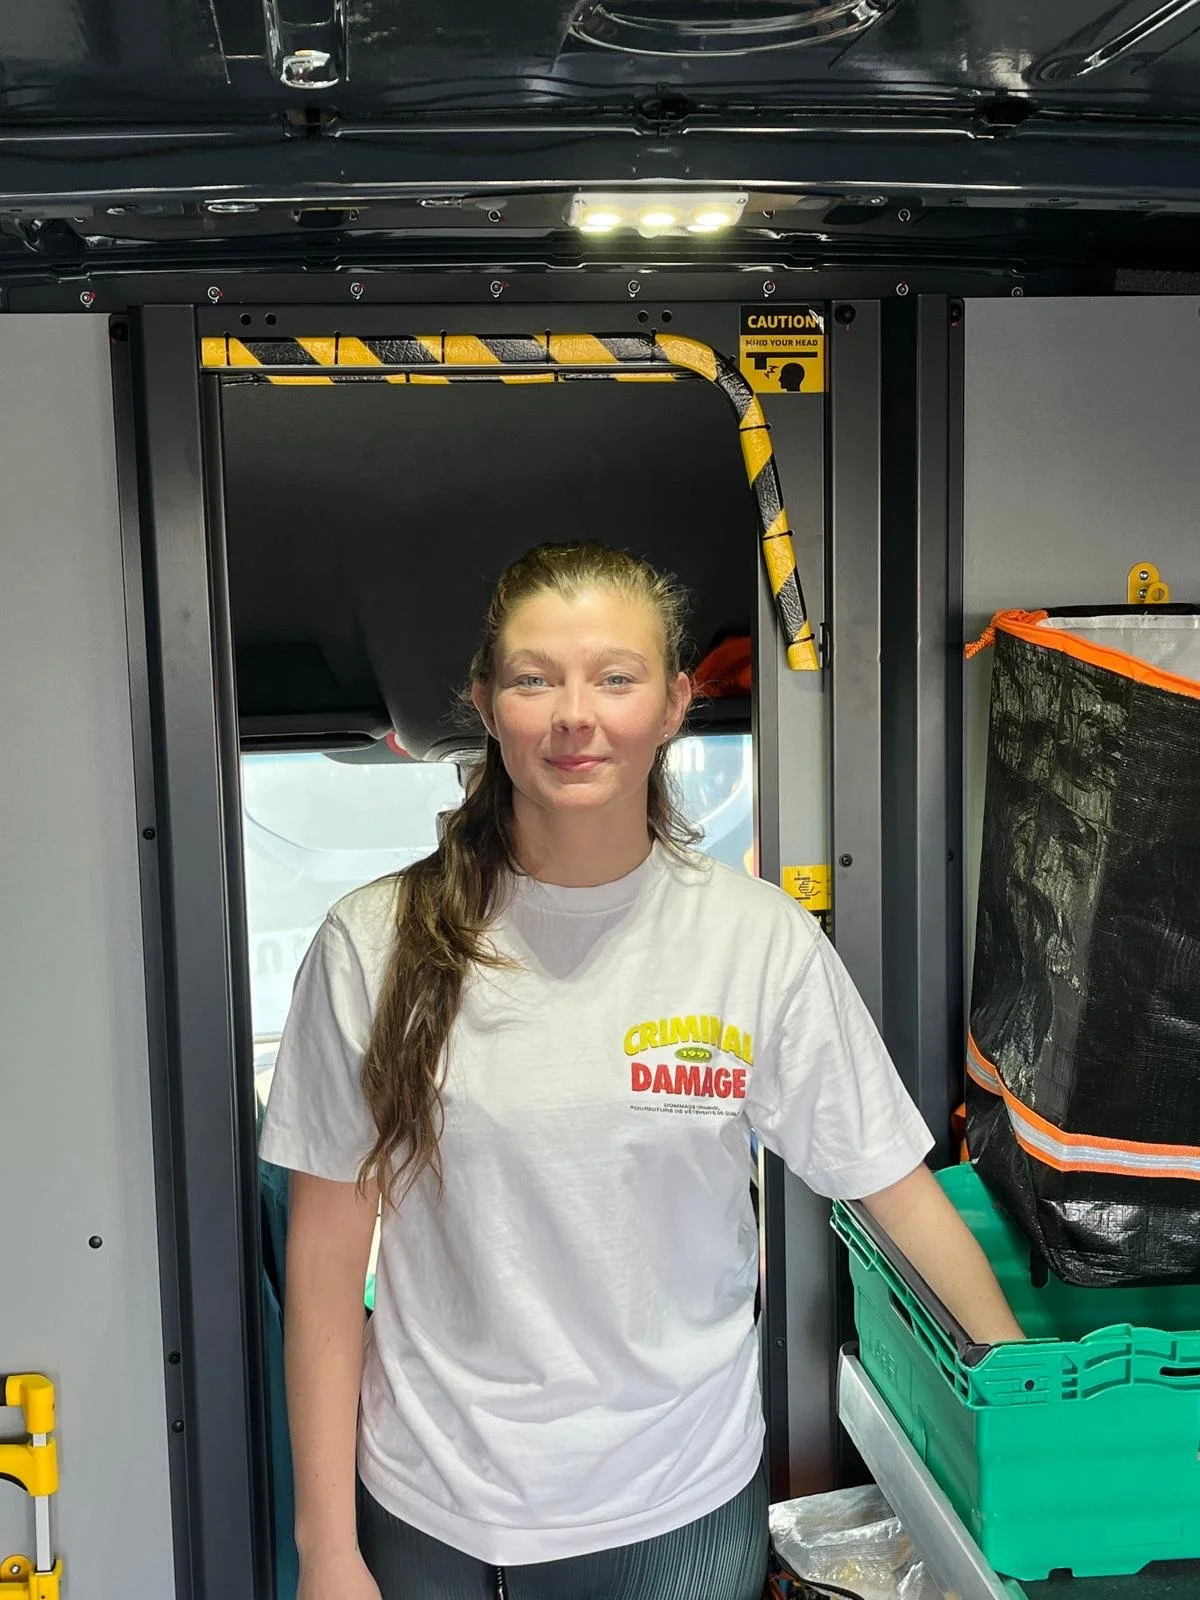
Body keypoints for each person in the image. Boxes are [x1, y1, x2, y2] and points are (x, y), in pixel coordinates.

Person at [259, 541, 1025, 1600]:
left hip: (678, 1509)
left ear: (673, 704)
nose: (577, 714)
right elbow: (326, 1262)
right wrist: (326, 1548)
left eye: (615, 677)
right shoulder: (372, 941)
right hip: (432, 1503)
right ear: (485, 701)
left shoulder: (752, 941)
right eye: (536, 677)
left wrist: (1026, 1388)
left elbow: (891, 1184)